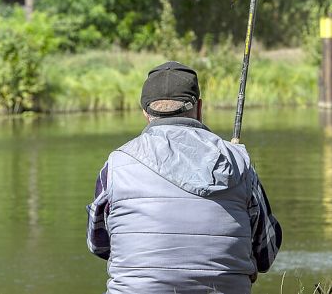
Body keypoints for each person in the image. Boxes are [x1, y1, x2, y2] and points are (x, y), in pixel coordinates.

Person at [86, 61, 282, 293]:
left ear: (145, 113)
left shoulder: (116, 164)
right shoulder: (238, 162)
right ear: (199, 108)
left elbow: (98, 244)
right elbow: (266, 253)